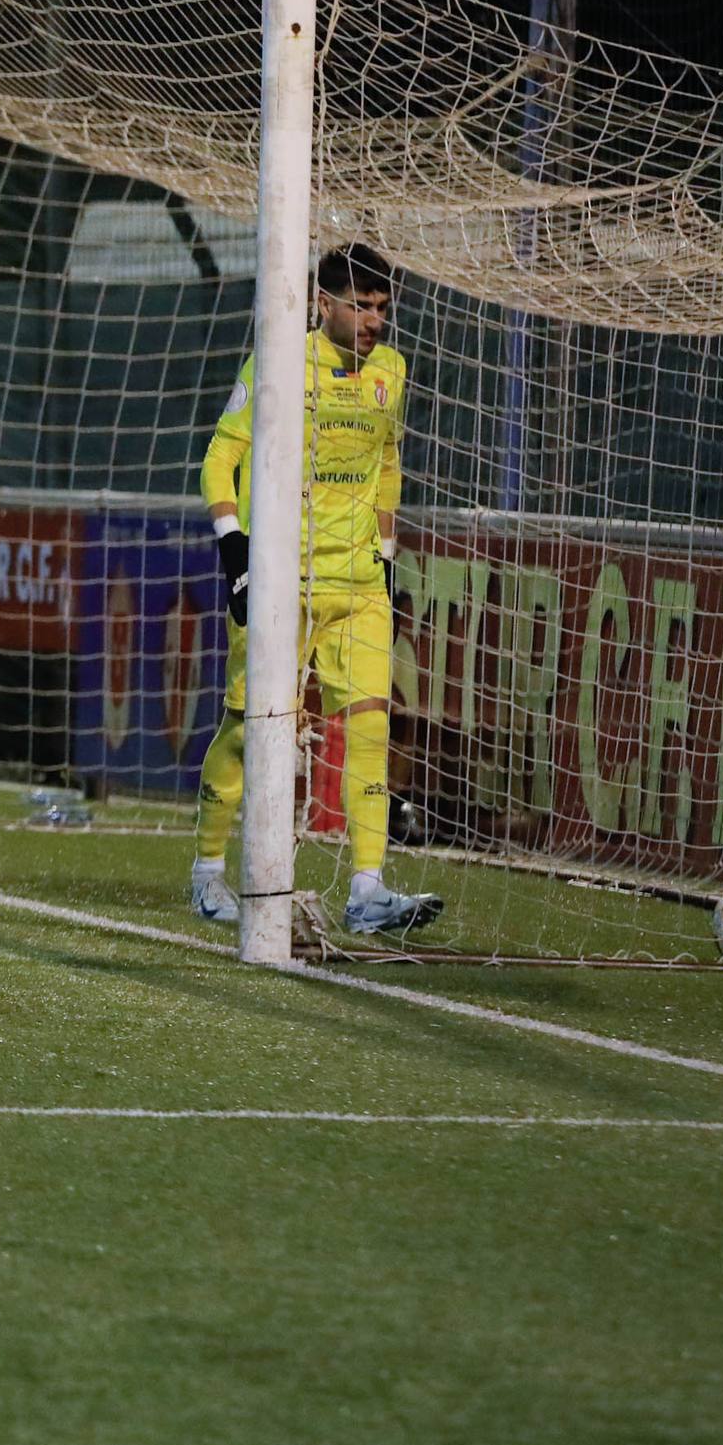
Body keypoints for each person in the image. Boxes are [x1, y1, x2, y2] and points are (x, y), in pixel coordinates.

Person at [189, 242, 440, 935]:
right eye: (359, 307)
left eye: (382, 309)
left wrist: (386, 558)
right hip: (280, 581)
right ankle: (208, 873)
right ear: (320, 303)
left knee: (368, 724)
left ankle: (366, 888)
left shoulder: (390, 370)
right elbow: (218, 463)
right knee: (248, 728)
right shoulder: (278, 364)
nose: (373, 322)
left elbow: (387, 465)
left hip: (357, 583)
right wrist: (235, 553)